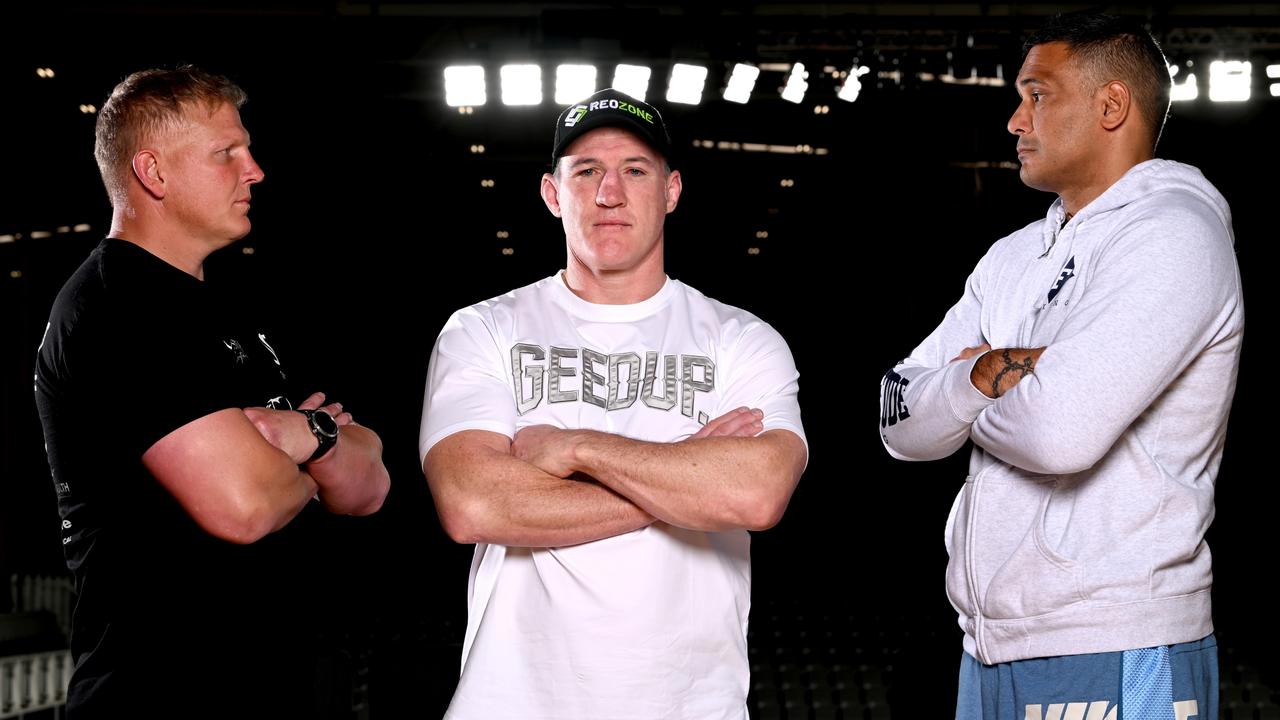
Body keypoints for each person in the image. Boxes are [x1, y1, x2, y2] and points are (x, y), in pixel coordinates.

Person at [878, 11, 1243, 720]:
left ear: (1112, 106)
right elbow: (897, 418)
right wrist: (982, 376)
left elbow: (1059, 433)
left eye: (1037, 95)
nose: (1016, 121)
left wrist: (960, 397)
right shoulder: (1011, 256)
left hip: (1116, 637)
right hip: (988, 644)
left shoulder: (1174, 234)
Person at [419, 88, 808, 719]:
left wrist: (575, 449)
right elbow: (473, 505)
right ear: (552, 193)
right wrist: (686, 472)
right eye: (586, 171)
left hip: (689, 706)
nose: (610, 193)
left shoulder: (743, 339)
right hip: (513, 702)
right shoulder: (484, 329)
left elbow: (754, 495)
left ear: (671, 190)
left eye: (634, 170)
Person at [33, 66, 390, 718]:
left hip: (260, 690)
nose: (254, 170)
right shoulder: (117, 306)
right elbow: (245, 505)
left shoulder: (222, 312)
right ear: (154, 173)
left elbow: (371, 486)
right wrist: (318, 457)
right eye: (227, 153)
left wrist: (310, 438)